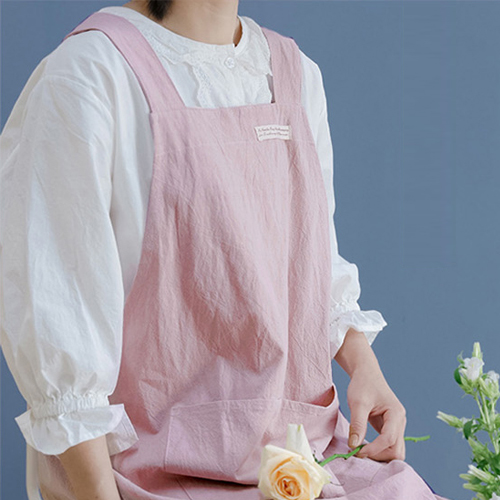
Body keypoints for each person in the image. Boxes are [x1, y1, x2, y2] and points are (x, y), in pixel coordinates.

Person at [0, 1, 449, 499]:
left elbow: (312, 259)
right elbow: (58, 318)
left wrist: (364, 367)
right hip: (147, 472)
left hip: (301, 454)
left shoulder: (294, 73)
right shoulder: (89, 76)